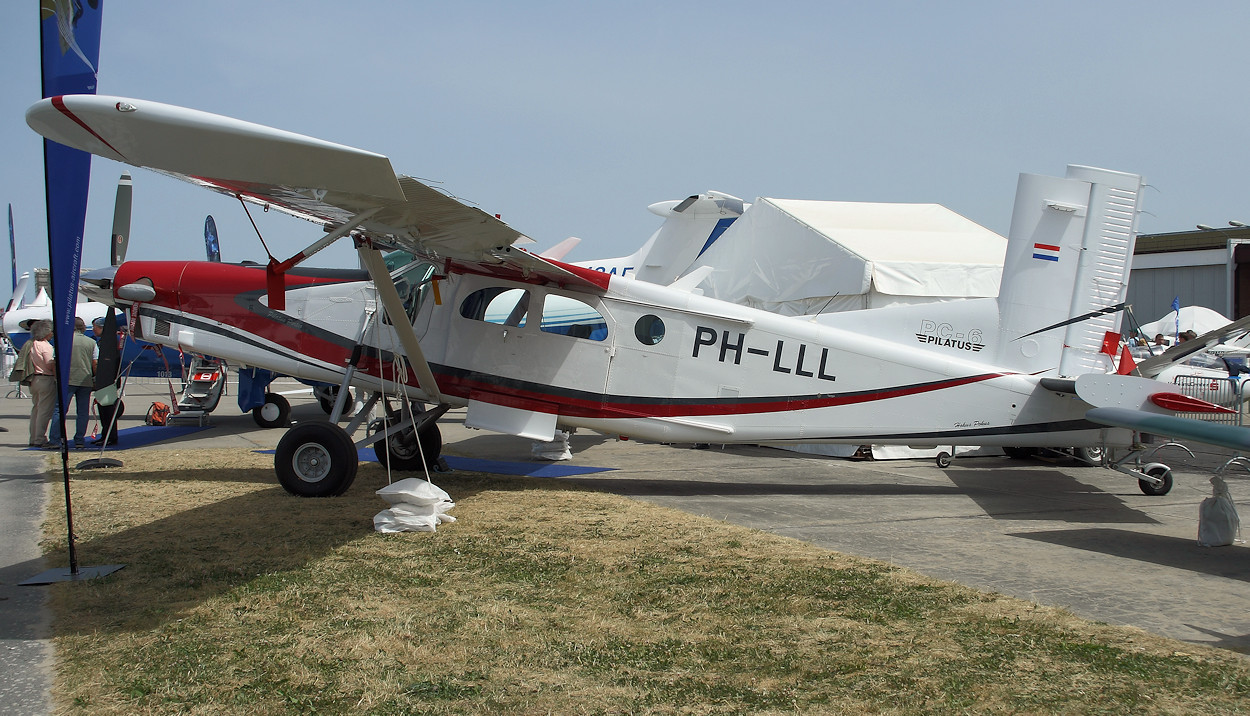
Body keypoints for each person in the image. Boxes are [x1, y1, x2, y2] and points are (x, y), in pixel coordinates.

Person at [47, 317, 99, 449]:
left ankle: (55, 439)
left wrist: (56, 377)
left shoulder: (63, 341)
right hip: (85, 380)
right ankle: (79, 440)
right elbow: (95, 363)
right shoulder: (91, 342)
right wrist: (95, 378)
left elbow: (54, 361)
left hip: (67, 380)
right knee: (82, 412)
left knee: (60, 410)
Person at [20, 320, 56, 447]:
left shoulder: (32, 344)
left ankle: (33, 437)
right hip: (46, 378)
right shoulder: (45, 346)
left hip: (34, 379)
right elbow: (50, 363)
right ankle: (39, 438)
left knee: (36, 409)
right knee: (44, 411)